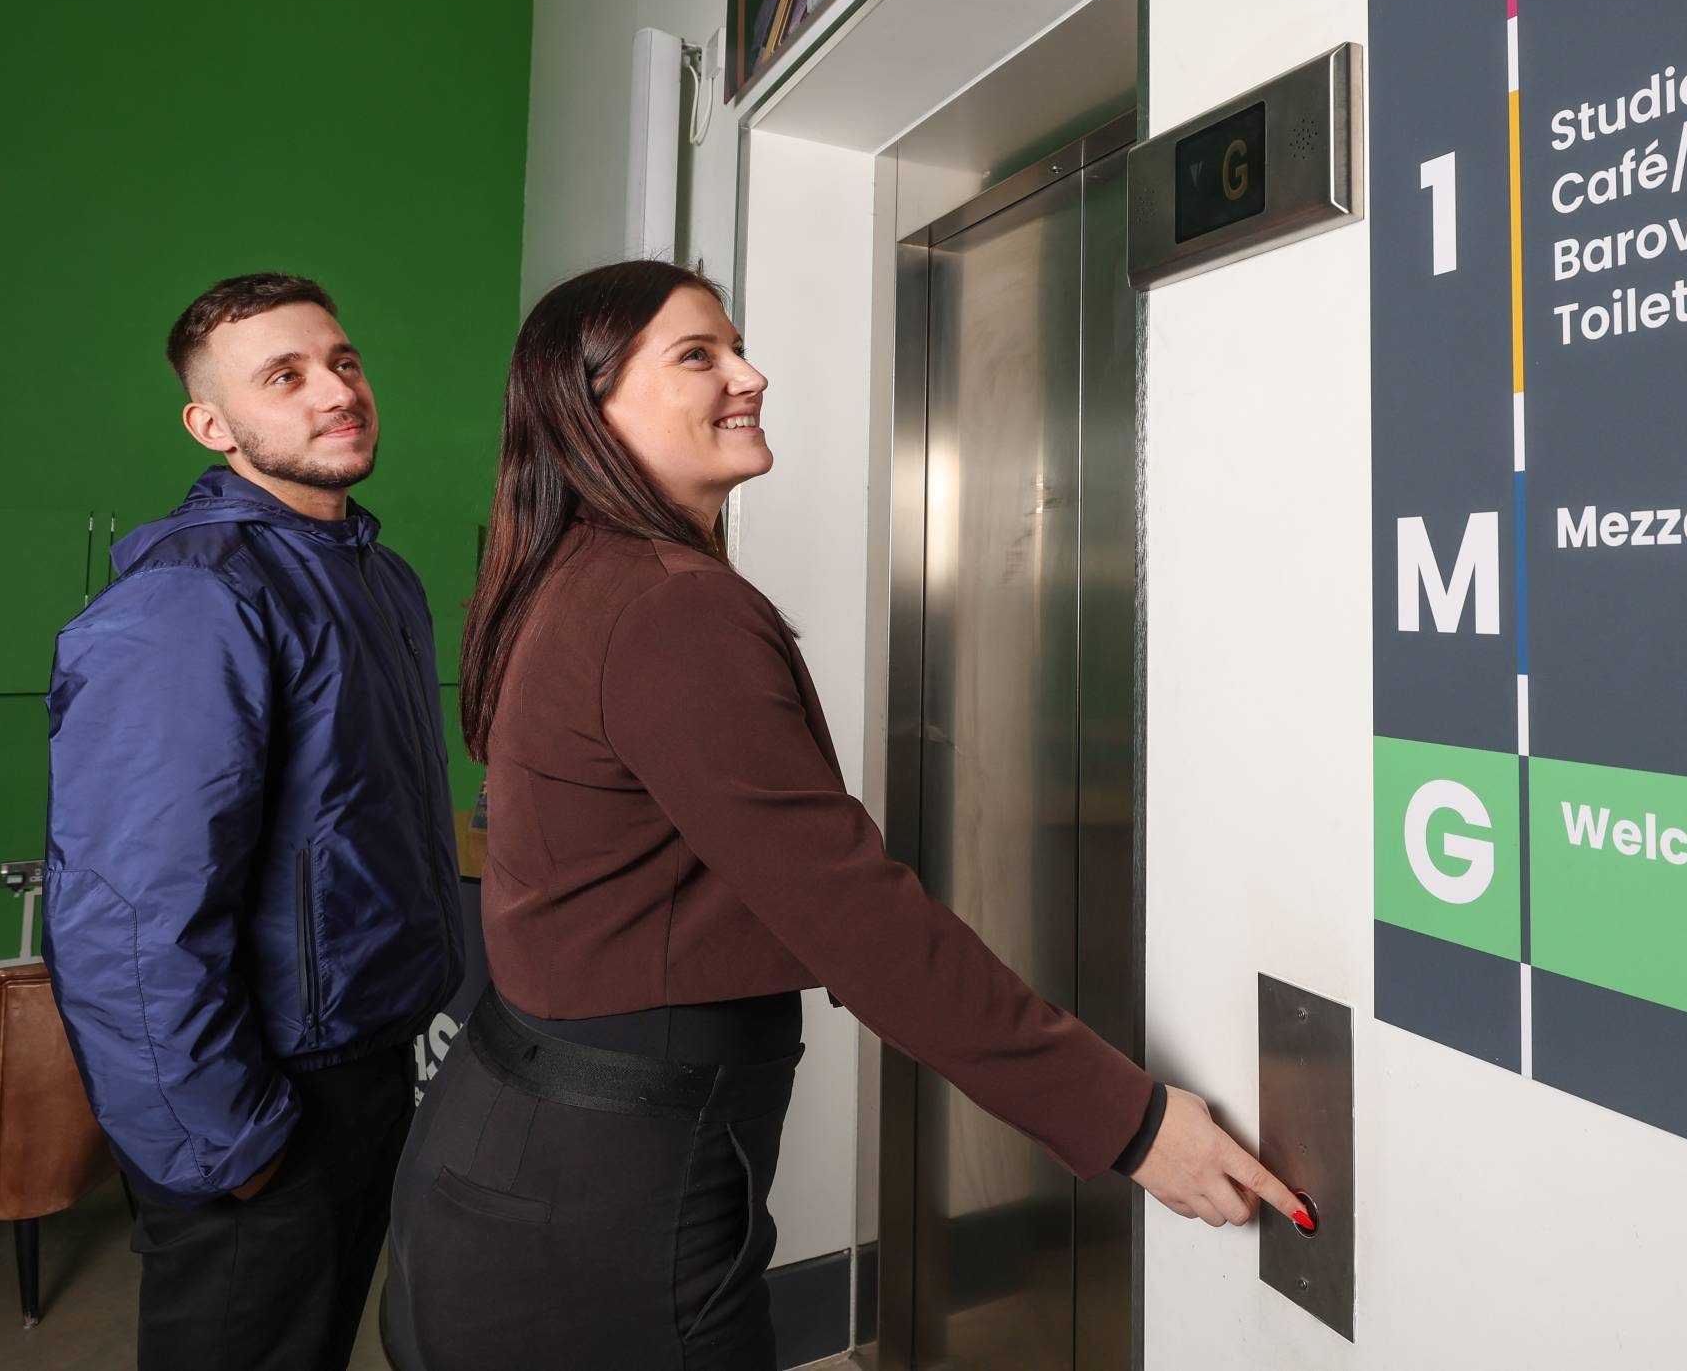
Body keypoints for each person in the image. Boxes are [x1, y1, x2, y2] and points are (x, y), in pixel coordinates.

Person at [383, 261, 1297, 1370]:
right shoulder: (671, 608)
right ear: (591, 403)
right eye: (698, 355)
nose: (750, 374)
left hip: (521, 1148)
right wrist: (1132, 1123)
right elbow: (858, 922)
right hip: (602, 1193)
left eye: (736, 345)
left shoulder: (570, 575)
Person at [44, 274, 463, 1371]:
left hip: (367, 1063)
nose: (336, 389)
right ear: (212, 424)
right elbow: (130, 914)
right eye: (285, 375)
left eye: (344, 361)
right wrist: (223, 1139)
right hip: (262, 1099)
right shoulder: (191, 599)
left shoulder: (381, 578)